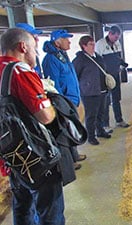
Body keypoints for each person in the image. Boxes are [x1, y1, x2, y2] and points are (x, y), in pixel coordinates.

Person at [0, 27, 74, 225]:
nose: (36, 53)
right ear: (23, 47)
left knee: (22, 207)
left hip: (10, 154)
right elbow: (46, 116)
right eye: (34, 48)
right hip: (36, 157)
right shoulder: (21, 72)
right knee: (50, 210)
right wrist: (51, 101)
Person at [42, 29, 86, 169]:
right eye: (66, 38)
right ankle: (69, 162)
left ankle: (74, 154)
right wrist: (61, 102)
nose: (69, 41)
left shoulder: (62, 55)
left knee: (73, 128)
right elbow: (53, 83)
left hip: (72, 98)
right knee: (65, 130)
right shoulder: (50, 59)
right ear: (57, 41)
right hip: (65, 100)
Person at [72, 35, 111, 145]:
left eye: (94, 44)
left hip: (102, 89)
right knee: (91, 115)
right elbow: (75, 75)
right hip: (89, 92)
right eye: (91, 44)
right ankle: (91, 136)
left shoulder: (98, 57)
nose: (93, 46)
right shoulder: (79, 60)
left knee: (101, 113)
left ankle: (100, 131)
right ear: (83, 46)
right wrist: (85, 86)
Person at [95, 25, 130, 130]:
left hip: (115, 75)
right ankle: (105, 124)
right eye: (115, 37)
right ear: (110, 33)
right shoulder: (100, 44)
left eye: (118, 38)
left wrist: (121, 66)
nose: (116, 40)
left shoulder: (117, 43)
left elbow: (119, 57)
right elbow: (97, 61)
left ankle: (119, 120)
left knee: (116, 98)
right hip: (105, 77)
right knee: (106, 100)